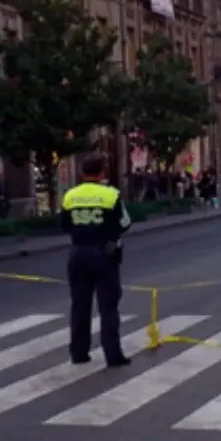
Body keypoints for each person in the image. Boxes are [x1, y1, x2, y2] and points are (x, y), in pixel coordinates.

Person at [60, 154, 132, 367]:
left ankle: (79, 352)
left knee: (79, 305)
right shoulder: (111, 195)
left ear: (82, 172)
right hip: (104, 253)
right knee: (108, 305)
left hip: (77, 253)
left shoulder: (70, 196)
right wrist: (109, 236)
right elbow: (125, 222)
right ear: (102, 173)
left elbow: (64, 224)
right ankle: (112, 354)